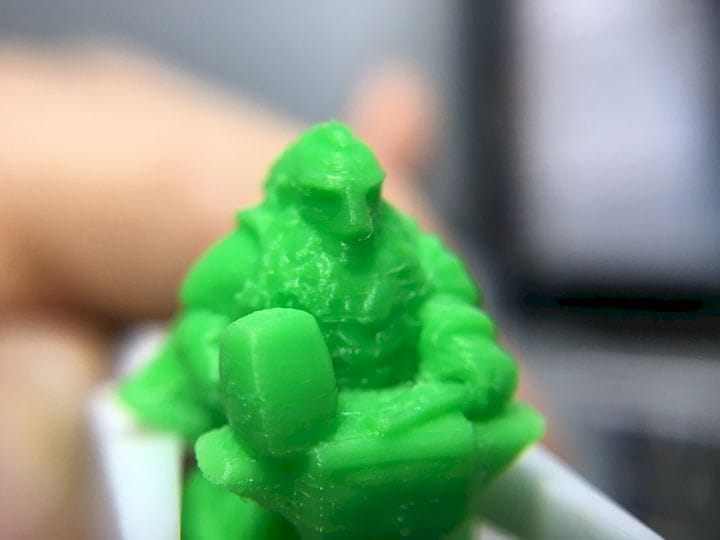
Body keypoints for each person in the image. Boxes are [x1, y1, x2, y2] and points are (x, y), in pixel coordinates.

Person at [0, 45, 439, 538]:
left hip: (385, 436)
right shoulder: (251, 252)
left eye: (365, 196)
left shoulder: (401, 252)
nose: (354, 217)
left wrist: (461, 368)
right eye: (329, 199)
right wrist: (234, 385)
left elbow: (448, 315)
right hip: (259, 449)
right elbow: (201, 327)